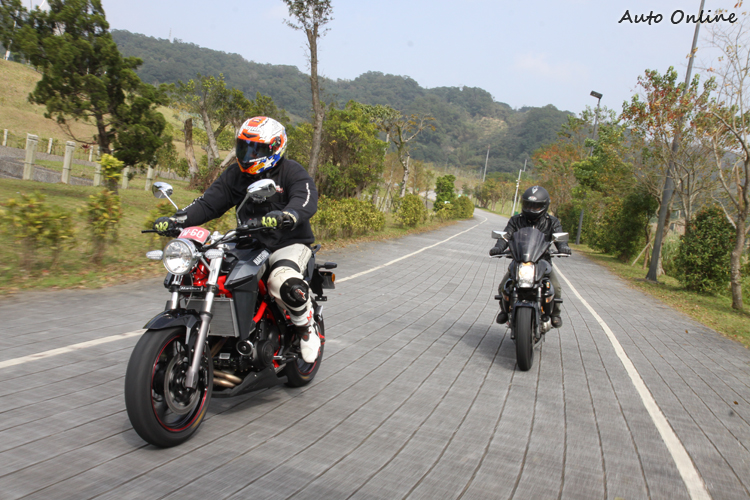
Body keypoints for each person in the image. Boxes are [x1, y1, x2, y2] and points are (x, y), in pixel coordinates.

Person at [153, 116, 321, 363]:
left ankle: (306, 327)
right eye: (244, 147)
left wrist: (289, 215)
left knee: (281, 282)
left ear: (275, 147)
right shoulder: (235, 174)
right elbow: (208, 203)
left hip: (288, 243)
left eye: (256, 149)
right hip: (247, 242)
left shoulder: (291, 171)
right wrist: (178, 220)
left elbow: (306, 199)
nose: (248, 155)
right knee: (205, 271)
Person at [489, 185, 571, 328]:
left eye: (535, 206)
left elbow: (559, 237)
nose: (531, 209)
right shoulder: (516, 220)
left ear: (544, 206)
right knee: (504, 286)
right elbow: (506, 235)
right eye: (528, 205)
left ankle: (555, 314)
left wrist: (563, 247)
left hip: (542, 261)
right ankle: (504, 310)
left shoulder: (552, 222)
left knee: (556, 288)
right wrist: (498, 247)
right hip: (520, 260)